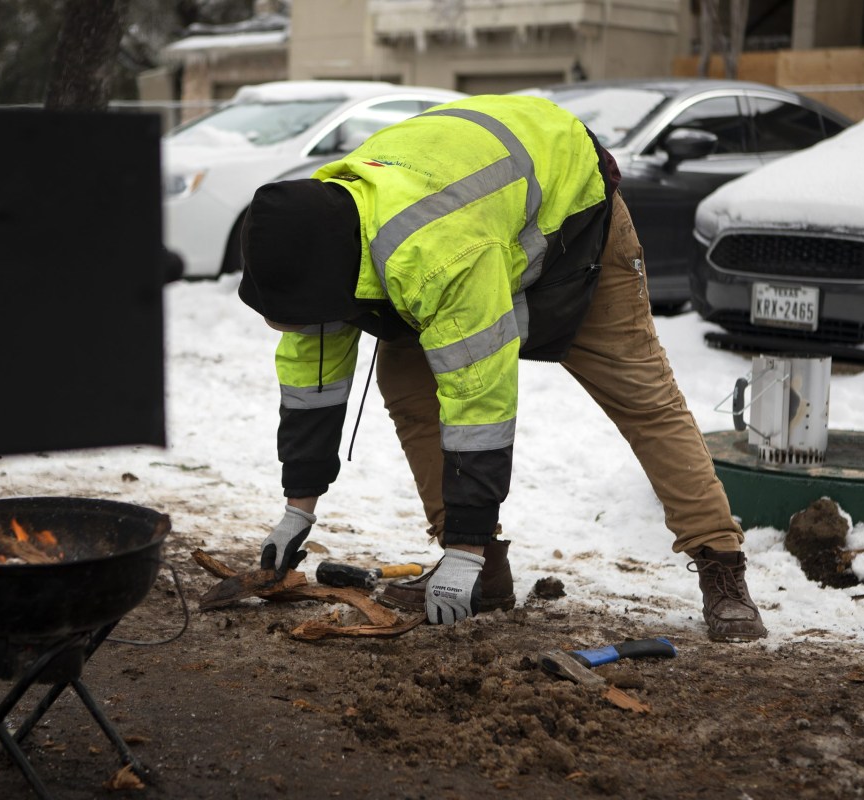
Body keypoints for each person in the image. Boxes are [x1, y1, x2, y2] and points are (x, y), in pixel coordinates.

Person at [238, 94, 766, 641]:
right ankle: (483, 568)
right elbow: (313, 374)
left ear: (338, 271)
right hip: (483, 219)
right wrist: (297, 510)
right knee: (408, 384)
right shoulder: (320, 225)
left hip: (575, 225)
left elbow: (479, 399)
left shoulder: (435, 254)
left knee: (641, 393)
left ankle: (720, 566)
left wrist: (458, 551)